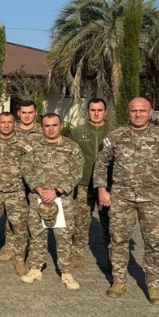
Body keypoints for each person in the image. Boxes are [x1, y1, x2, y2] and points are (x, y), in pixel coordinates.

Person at [94, 97, 159, 305]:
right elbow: (101, 163)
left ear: (150, 112)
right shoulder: (116, 136)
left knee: (154, 242)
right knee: (117, 240)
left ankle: (153, 286)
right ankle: (118, 281)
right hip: (122, 198)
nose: (138, 114)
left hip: (152, 199)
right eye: (134, 111)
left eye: (142, 111)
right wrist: (102, 189)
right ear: (129, 113)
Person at [19, 113, 83, 290]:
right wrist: (39, 188)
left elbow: (77, 172)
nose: (51, 128)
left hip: (62, 199)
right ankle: (36, 268)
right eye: (47, 126)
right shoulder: (32, 146)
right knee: (38, 235)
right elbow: (26, 168)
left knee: (63, 236)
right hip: (38, 197)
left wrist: (57, 191)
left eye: (54, 125)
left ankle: (66, 272)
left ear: (60, 125)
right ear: (42, 127)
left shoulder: (72, 147)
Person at [0, 112, 30, 276]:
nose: (6, 125)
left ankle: (19, 260)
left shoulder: (24, 143)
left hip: (16, 192)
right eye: (3, 122)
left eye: (9, 122)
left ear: (14, 124)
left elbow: (33, 164)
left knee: (20, 228)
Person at [69, 98, 114, 267]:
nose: (96, 113)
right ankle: (78, 254)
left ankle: (112, 257)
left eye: (99, 110)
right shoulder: (78, 132)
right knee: (81, 221)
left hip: (107, 186)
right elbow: (71, 158)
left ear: (105, 112)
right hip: (83, 184)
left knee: (109, 222)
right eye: (93, 110)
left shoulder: (114, 132)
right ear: (88, 112)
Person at [0, 99, 41, 263]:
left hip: (36, 183)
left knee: (35, 218)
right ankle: (11, 247)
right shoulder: (10, 131)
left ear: (35, 113)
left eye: (30, 112)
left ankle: (35, 251)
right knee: (12, 217)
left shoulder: (42, 132)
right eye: (24, 112)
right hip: (14, 182)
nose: (27, 116)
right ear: (18, 114)